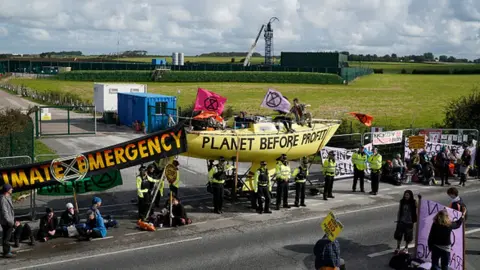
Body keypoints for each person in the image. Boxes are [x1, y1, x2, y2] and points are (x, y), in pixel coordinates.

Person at [0, 184, 15, 258]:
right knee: (7, 237)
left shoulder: (7, 197)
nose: (12, 189)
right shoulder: (3, 199)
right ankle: (6, 252)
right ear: (7, 190)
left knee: (7, 236)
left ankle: (7, 250)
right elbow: (4, 212)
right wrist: (11, 222)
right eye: (10, 188)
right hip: (7, 222)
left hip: (8, 220)